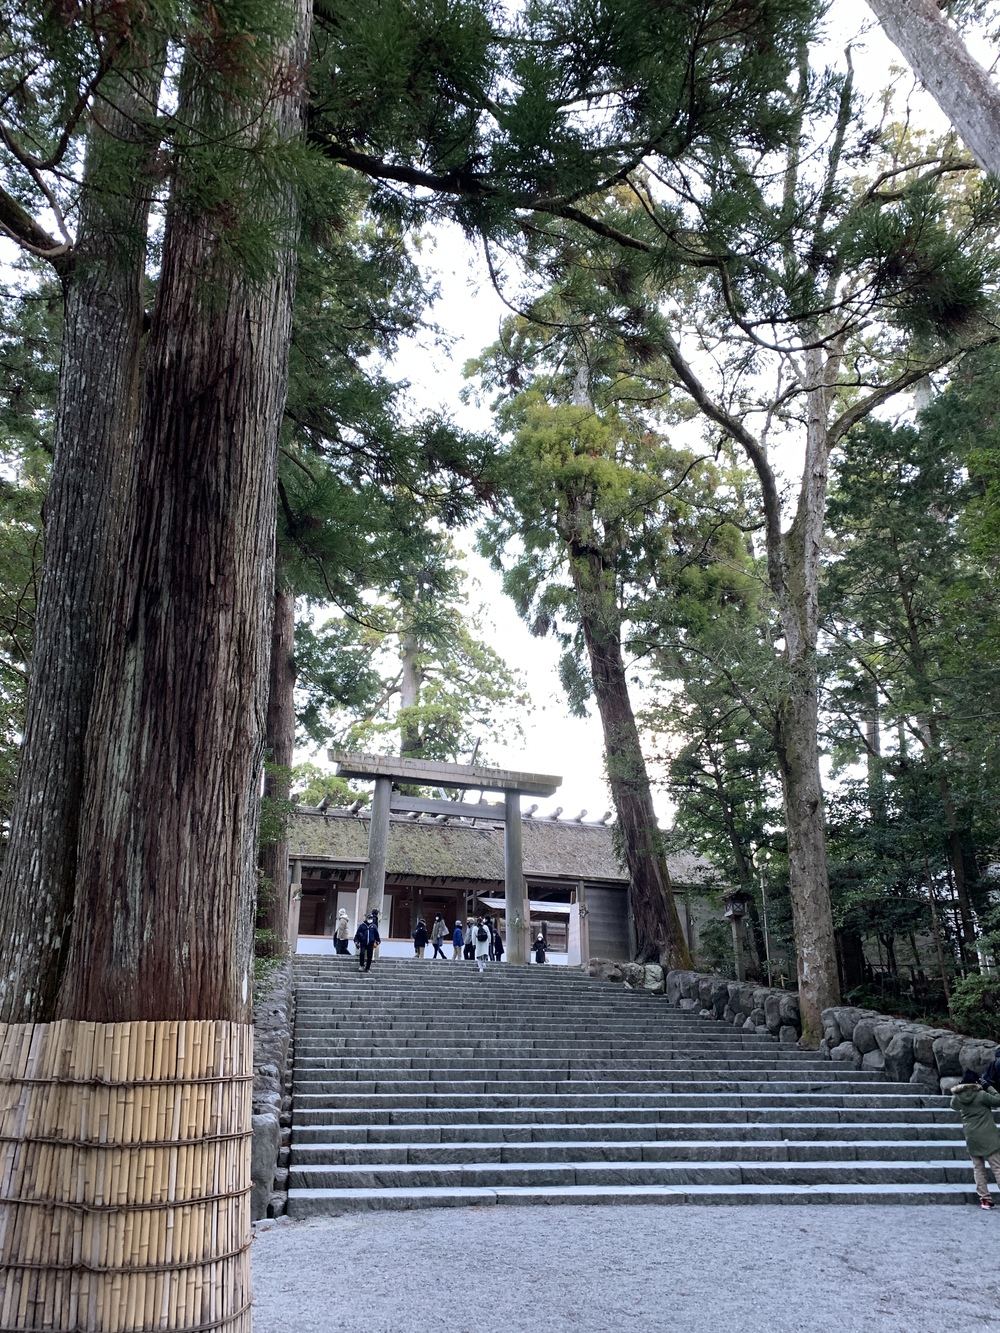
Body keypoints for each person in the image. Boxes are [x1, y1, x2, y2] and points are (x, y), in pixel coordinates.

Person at [951, 1067, 1000, 1208]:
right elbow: (998, 1100)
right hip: (988, 1135)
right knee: (997, 1167)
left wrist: (959, 1088)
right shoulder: (981, 1095)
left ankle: (985, 1199)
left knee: (978, 1168)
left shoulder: (958, 1098)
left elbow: (952, 1105)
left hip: (971, 1136)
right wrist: (988, 1086)